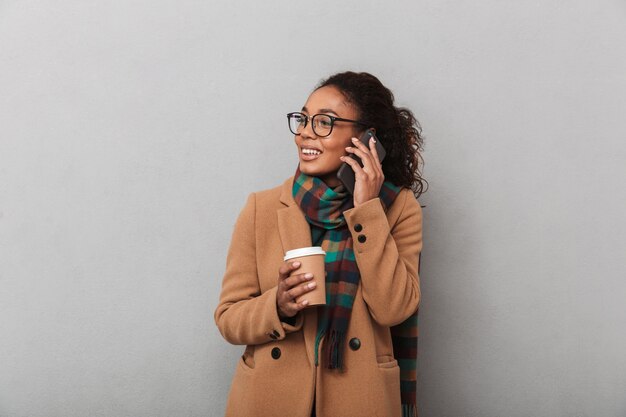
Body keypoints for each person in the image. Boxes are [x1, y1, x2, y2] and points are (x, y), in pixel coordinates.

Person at [214, 71, 426, 417]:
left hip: (359, 400)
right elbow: (228, 318)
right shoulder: (262, 208)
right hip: (269, 399)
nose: (305, 133)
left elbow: (394, 309)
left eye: (325, 122)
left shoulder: (398, 209)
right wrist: (278, 306)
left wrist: (366, 210)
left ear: (367, 139)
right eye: (303, 119)